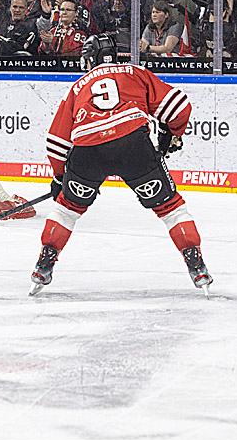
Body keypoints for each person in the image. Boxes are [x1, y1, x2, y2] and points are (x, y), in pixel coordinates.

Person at [30, 34, 211, 295]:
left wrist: (60, 179)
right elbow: (179, 106)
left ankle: (44, 264)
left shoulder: (78, 87)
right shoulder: (135, 72)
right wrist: (170, 132)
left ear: (90, 59)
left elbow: (56, 143)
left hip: (88, 150)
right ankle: (197, 265)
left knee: (67, 210)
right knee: (171, 208)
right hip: (133, 146)